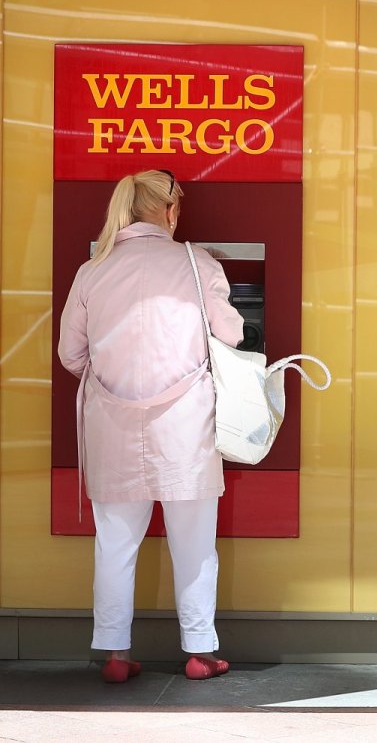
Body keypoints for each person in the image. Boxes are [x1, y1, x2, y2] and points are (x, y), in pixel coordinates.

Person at [58, 169, 244, 682]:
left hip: (111, 428)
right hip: (186, 429)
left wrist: (114, 380)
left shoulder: (91, 271)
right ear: (170, 211)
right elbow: (230, 336)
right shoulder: (196, 262)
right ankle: (201, 652)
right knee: (194, 544)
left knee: (115, 544)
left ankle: (115, 654)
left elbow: (69, 354)